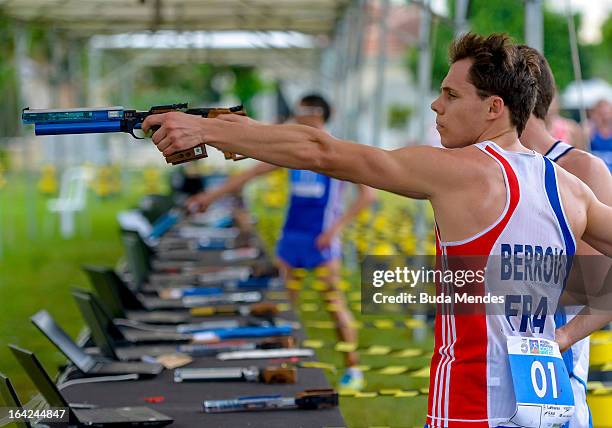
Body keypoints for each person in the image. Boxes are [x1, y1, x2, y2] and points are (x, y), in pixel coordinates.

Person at [144, 33, 612, 427]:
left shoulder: (462, 171)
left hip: (472, 406)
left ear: (493, 108)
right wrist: (564, 337)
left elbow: (322, 151)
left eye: (450, 95)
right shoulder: (569, 189)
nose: (436, 104)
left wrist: (205, 129)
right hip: (548, 407)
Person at [185, 94, 376, 392]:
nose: (297, 117)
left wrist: (335, 229)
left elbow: (368, 195)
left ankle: (353, 368)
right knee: (283, 307)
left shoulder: (338, 151)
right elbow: (250, 173)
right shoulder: (294, 152)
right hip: (291, 240)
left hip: (321, 241)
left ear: (318, 115)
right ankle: (286, 362)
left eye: (303, 112)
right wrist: (210, 197)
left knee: (333, 305)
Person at [519, 45, 612, 428]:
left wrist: (560, 337)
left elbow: (594, 284)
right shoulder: (481, 166)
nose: (438, 107)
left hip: (549, 358)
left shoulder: (579, 167)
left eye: (454, 95)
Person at [589, 99, 612, 171]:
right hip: (597, 171)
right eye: (601, 113)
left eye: (607, 113)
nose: (605, 117)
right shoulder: (589, 131)